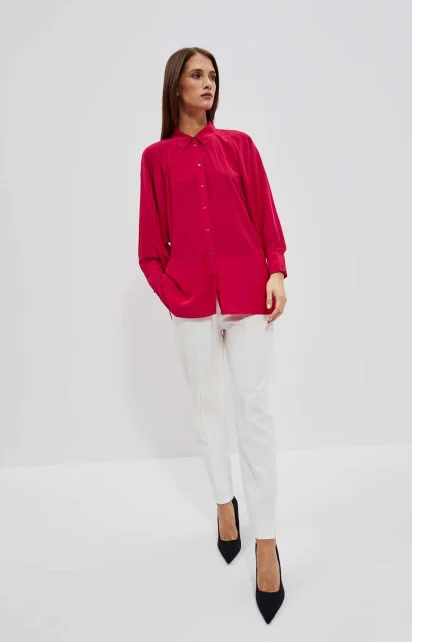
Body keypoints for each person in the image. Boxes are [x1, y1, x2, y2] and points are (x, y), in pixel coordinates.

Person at [137, 47, 288, 624]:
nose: (208, 84)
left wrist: (276, 271)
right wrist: (176, 295)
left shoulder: (240, 146)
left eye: (214, 76)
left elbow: (266, 214)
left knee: (254, 412)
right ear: (175, 85)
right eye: (197, 75)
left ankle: (266, 541)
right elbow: (150, 250)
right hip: (194, 305)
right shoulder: (156, 159)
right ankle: (225, 504)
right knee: (208, 409)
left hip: (249, 297)